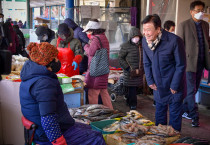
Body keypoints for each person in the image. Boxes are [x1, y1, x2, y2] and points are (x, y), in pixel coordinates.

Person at [19, 42, 106, 145]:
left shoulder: (31, 74)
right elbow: (48, 118)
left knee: (89, 127)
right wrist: (58, 141)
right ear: (48, 62)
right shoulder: (44, 84)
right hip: (47, 135)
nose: (57, 60)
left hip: (44, 128)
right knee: (97, 137)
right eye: (55, 58)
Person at [142, 14, 186, 132]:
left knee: (174, 118)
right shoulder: (145, 41)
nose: (145, 33)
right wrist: (150, 81)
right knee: (160, 115)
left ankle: (174, 141)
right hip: (158, 85)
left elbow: (181, 65)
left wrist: (175, 85)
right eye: (144, 29)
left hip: (173, 86)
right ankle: (159, 139)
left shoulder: (174, 41)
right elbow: (146, 63)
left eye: (148, 30)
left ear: (158, 29)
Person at [177, 1, 210, 127]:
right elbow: (179, 46)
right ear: (191, 12)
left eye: (202, 10)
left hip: (201, 62)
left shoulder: (206, 25)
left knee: (193, 90)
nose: (200, 13)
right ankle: (194, 116)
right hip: (189, 63)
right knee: (191, 90)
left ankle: (184, 109)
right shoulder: (184, 25)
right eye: (198, 10)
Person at [83, 19, 113, 109]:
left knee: (93, 93)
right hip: (103, 69)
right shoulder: (103, 37)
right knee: (104, 92)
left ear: (92, 30)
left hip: (96, 70)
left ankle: (94, 113)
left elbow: (91, 52)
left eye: (89, 31)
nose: (88, 33)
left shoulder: (96, 39)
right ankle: (111, 111)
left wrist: (85, 46)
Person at [118, 27, 144, 110]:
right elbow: (120, 58)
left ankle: (129, 101)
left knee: (134, 88)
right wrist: (127, 68)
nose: (136, 39)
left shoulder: (142, 46)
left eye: (137, 37)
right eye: (134, 37)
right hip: (129, 72)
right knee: (131, 87)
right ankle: (133, 104)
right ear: (131, 37)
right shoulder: (125, 46)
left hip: (139, 72)